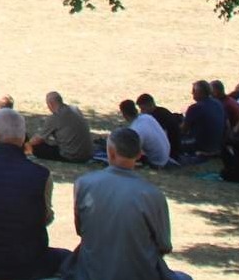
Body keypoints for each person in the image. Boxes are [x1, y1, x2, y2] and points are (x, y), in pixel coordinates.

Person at [65, 128, 192, 280]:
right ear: (139, 154)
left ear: (110, 152)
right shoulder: (152, 194)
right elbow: (164, 245)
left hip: (91, 272)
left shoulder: (83, 184)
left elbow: (81, 230)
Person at [0, 108, 70, 280]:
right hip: (23, 267)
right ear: (23, 138)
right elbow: (45, 218)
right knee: (67, 257)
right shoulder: (40, 175)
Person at [27, 91, 94, 162]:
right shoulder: (75, 109)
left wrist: (25, 146)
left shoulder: (55, 117)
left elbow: (38, 140)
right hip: (87, 155)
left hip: (71, 156)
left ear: (50, 104)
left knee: (36, 148)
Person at [177, 81, 227, 164]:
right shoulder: (218, 103)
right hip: (217, 144)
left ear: (200, 92)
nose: (192, 93)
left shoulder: (195, 108)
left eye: (194, 91)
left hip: (200, 145)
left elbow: (183, 129)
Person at [120, 99, 173, 169]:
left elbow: (131, 154)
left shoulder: (135, 131)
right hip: (166, 155)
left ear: (124, 114)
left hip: (157, 162)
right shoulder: (147, 117)